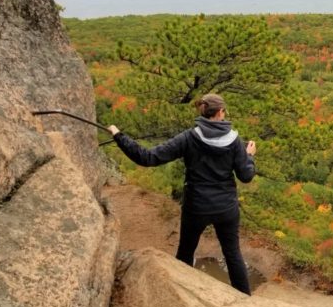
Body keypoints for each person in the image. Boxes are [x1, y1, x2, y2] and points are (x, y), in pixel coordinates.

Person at [107, 93, 257, 295]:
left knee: (186, 252)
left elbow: (148, 158)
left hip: (196, 207)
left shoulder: (189, 137)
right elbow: (246, 176)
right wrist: (248, 156)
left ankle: (182, 296)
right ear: (221, 112)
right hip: (226, 208)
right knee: (232, 254)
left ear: (202, 112)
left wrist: (119, 136)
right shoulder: (236, 142)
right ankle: (246, 300)